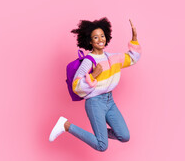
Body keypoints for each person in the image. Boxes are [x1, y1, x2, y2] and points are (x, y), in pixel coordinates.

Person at [49, 17, 142, 152]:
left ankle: (100, 134)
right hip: (94, 103)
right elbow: (76, 86)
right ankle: (66, 125)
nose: (100, 40)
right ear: (90, 41)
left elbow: (132, 58)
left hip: (110, 102)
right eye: (96, 37)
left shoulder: (113, 58)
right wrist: (93, 75)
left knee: (124, 136)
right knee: (102, 145)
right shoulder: (88, 61)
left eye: (102, 36)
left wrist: (134, 38)